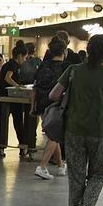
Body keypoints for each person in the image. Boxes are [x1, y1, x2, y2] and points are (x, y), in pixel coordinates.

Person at [50, 34, 103, 206]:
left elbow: (53, 95)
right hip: (101, 132)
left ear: (88, 50)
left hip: (74, 131)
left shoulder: (73, 71)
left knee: (76, 176)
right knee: (98, 174)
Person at [33, 40, 69, 180]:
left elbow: (35, 87)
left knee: (52, 133)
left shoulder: (42, 66)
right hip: (57, 105)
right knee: (54, 135)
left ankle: (60, 166)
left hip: (42, 104)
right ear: (64, 51)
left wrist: (33, 107)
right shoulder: (66, 67)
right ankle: (41, 166)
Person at [0, 47, 33, 159]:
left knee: (3, 123)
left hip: (5, 97)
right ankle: (23, 146)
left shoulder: (9, 64)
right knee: (18, 122)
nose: (24, 60)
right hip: (11, 97)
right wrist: (17, 86)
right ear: (19, 55)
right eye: (24, 57)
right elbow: (7, 78)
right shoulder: (12, 65)